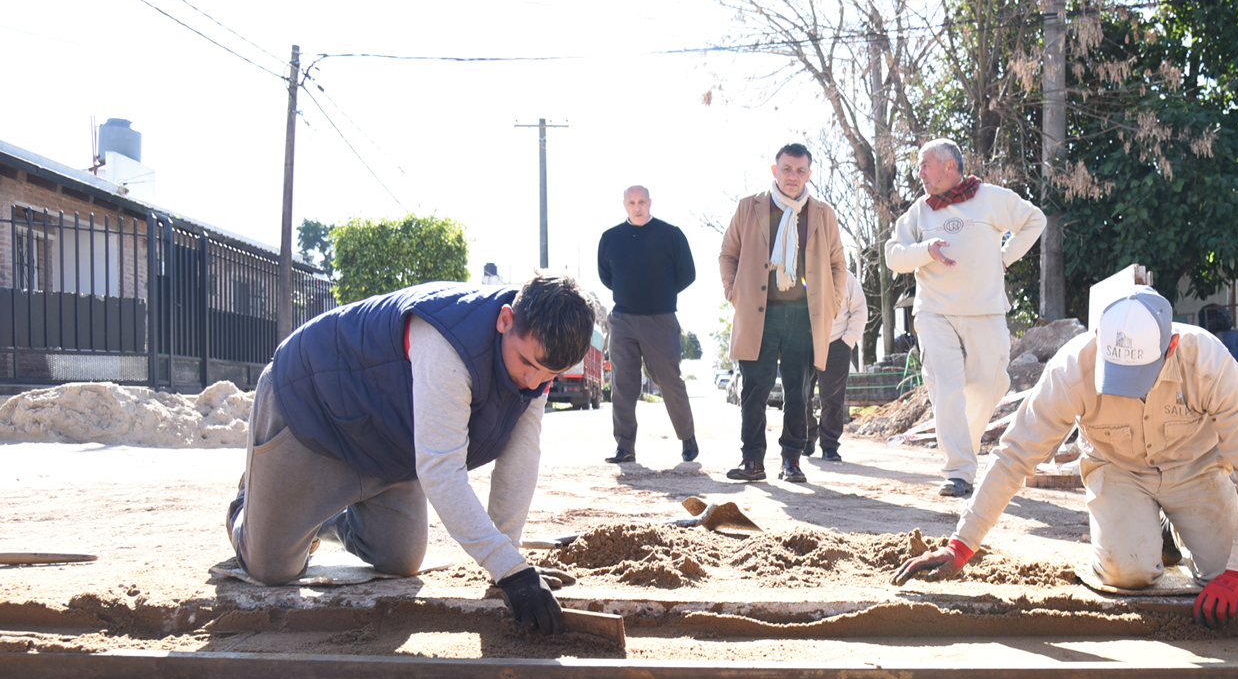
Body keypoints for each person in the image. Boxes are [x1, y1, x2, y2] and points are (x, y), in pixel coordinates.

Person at [892, 285, 1238, 629]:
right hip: (1118, 471)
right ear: (1099, 337)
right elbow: (1015, 455)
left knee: (1227, 569)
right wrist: (962, 544)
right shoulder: (1072, 368)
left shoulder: (1209, 364)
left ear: (1172, 347)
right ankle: (1147, 532)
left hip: (1195, 470)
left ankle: (1169, 526)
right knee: (1126, 572)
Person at [226, 275, 596, 635]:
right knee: (271, 569)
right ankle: (249, 501)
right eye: (528, 364)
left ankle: (315, 517)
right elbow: (442, 472)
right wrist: (511, 570)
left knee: (399, 559)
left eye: (549, 374)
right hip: (313, 410)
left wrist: (509, 564)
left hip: (385, 441)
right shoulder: (447, 343)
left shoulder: (536, 362)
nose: (533, 382)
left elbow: (521, 454)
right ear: (505, 320)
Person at [884, 138, 1047, 497]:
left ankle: (965, 450)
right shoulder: (919, 212)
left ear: (949, 166)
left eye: (926, 165)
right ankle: (959, 471)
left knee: (989, 385)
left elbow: (1034, 220)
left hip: (985, 310)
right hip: (934, 312)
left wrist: (1005, 256)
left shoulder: (990, 197)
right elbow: (894, 256)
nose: (920, 172)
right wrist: (926, 250)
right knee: (947, 386)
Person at [719, 143, 847, 483]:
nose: (793, 176)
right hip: (758, 315)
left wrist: (832, 303)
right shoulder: (750, 207)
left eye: (800, 170)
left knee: (798, 392)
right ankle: (752, 461)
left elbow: (838, 264)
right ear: (775, 171)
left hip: (804, 317)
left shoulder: (822, 213)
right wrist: (735, 294)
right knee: (754, 390)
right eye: (787, 169)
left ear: (809, 174)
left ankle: (792, 460)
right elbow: (727, 254)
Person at [597, 185, 700, 465]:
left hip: (661, 319)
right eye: (632, 202)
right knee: (623, 385)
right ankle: (625, 447)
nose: (638, 207)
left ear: (651, 203)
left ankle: (688, 439)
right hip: (622, 320)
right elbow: (607, 277)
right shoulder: (610, 238)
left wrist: (660, 294)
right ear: (624, 205)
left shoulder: (671, 235)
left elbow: (687, 274)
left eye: (642, 201)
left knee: (670, 380)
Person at [805, 256, 868, 462]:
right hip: (806, 342)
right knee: (800, 396)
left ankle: (830, 445)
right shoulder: (804, 276)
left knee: (832, 399)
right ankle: (808, 431)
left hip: (837, 344)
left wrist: (848, 341)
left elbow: (860, 310)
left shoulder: (847, 279)